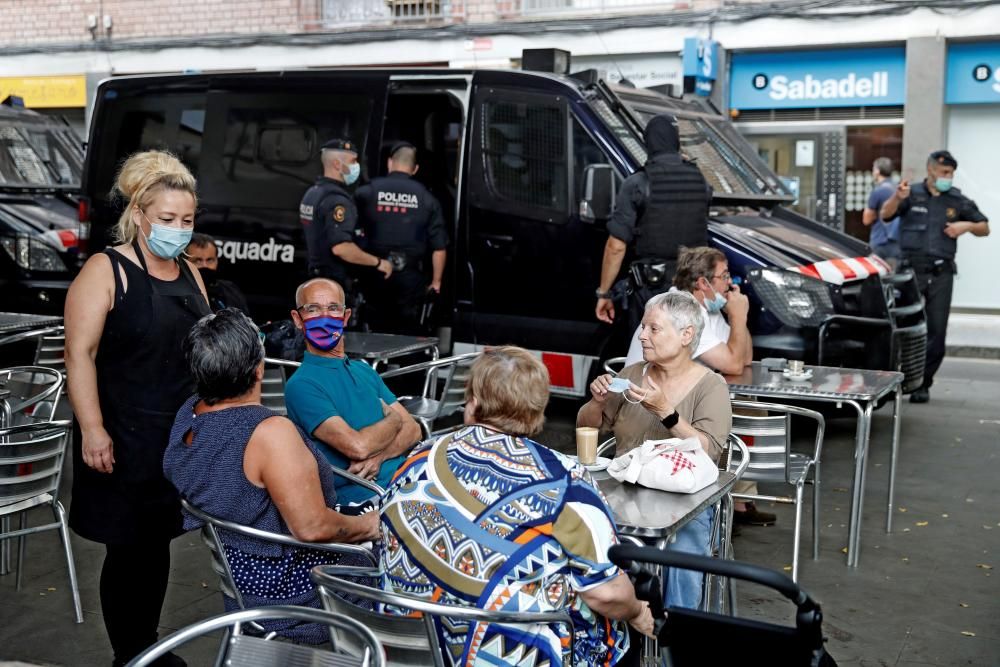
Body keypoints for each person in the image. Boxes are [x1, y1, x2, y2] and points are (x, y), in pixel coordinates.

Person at [378, 346, 653, 666]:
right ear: (537, 413)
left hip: (407, 645)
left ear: (473, 403)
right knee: (620, 629)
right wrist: (637, 612)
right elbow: (605, 593)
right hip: (505, 653)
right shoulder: (566, 482)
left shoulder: (418, 460)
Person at [64, 150, 211, 666]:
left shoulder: (192, 271)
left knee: (156, 546)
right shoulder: (106, 270)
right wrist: (92, 428)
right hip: (121, 435)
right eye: (167, 219)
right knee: (126, 550)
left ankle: (146, 647)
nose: (178, 228)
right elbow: (78, 355)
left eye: (187, 220)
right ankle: (129, 654)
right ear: (139, 214)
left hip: (173, 436)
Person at [163, 308, 380, 643]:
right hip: (295, 593)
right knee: (412, 562)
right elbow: (312, 528)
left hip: (243, 580)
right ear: (259, 369)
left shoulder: (189, 416)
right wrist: (372, 526)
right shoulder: (267, 433)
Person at [579, 290, 732, 611]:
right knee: (581, 541)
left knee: (682, 558)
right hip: (623, 491)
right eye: (643, 327)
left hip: (684, 500)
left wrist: (666, 411)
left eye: (653, 329)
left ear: (686, 335)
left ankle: (675, 639)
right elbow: (589, 427)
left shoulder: (711, 386)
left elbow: (710, 452)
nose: (642, 336)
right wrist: (596, 401)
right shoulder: (632, 375)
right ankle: (613, 637)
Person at [623, 248, 769, 526]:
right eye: (725, 276)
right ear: (703, 283)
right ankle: (727, 501)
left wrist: (740, 316)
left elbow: (743, 357)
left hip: (681, 400)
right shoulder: (681, 312)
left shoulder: (710, 310)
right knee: (739, 414)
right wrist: (738, 317)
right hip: (647, 406)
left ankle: (735, 501)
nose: (731, 284)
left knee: (749, 410)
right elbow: (735, 365)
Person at [284, 278, 421, 504]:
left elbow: (414, 430)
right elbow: (358, 447)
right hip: (367, 499)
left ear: (345, 317)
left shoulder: (363, 370)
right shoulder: (302, 385)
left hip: (406, 480)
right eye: (313, 309)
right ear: (298, 319)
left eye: (333, 308)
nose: (325, 317)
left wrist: (380, 456)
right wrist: (395, 420)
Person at [881, 150, 990, 403]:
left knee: (936, 332)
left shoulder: (957, 200)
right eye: (944, 172)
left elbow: (985, 227)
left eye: (951, 173)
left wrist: (967, 226)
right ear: (931, 170)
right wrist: (897, 197)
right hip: (910, 273)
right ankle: (896, 379)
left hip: (941, 273)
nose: (948, 177)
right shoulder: (911, 193)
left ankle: (923, 383)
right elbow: (886, 214)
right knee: (903, 328)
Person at [594, 113, 712, 336]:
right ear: (676, 142)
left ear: (648, 143)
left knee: (649, 354)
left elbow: (616, 246)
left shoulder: (639, 182)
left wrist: (604, 293)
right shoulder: (699, 180)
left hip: (652, 290)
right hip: (694, 287)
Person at [356, 141, 448, 334]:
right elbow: (439, 247)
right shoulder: (427, 199)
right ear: (415, 169)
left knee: (374, 327)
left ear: (390, 163)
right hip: (410, 278)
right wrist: (436, 282)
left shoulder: (368, 191)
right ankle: (403, 362)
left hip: (375, 271)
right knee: (407, 331)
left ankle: (375, 363)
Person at [299, 138, 391, 293]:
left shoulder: (313, 193)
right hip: (334, 282)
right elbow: (341, 248)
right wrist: (378, 262)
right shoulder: (337, 201)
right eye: (353, 161)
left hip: (316, 277)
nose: (356, 166)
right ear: (337, 164)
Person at [185, 232, 251, 315]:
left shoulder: (230, 290)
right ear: (185, 262)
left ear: (216, 261)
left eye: (210, 260)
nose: (205, 265)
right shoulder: (179, 295)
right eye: (198, 261)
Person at [862, 157, 901, 269]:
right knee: (893, 278)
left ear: (878, 171)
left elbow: (866, 220)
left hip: (880, 242)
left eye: (873, 169)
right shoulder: (898, 189)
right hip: (897, 241)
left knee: (877, 278)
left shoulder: (878, 191)